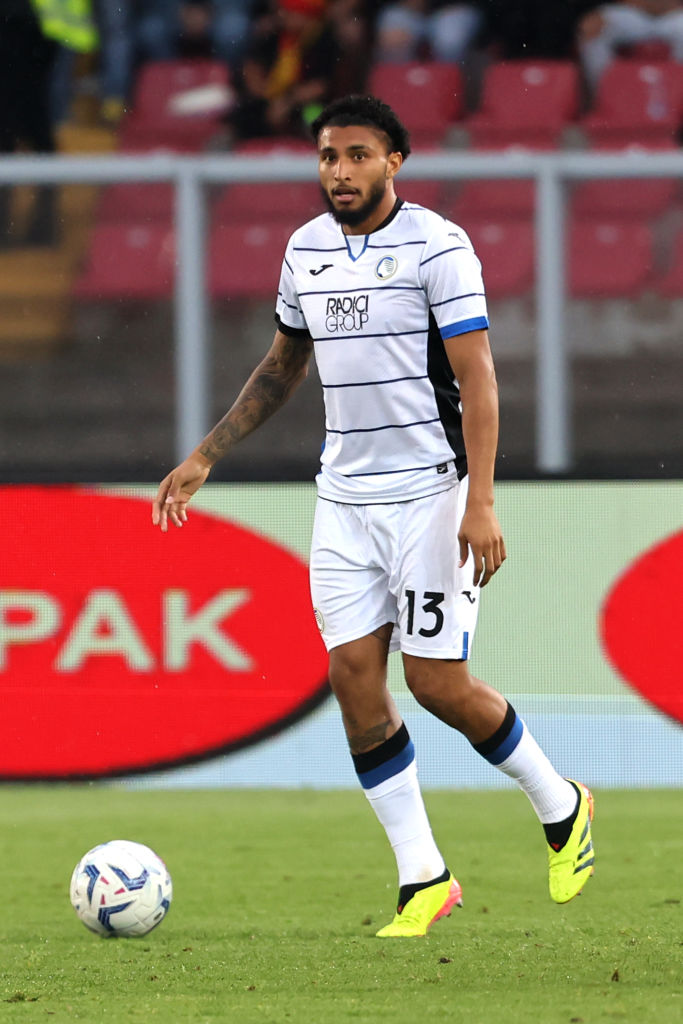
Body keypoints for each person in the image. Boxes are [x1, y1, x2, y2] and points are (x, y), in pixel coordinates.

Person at [152, 94, 595, 937]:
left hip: (432, 493)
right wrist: (207, 453)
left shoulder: (438, 245)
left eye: (357, 155)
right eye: (328, 156)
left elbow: (478, 379)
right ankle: (422, 877)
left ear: (394, 161)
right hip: (343, 500)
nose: (340, 171)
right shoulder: (304, 249)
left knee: (436, 685)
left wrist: (480, 501)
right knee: (352, 677)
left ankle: (559, 802)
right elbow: (282, 365)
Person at [577, 0, 683, 90]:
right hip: (633, 13)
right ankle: (605, 94)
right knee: (592, 27)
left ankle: (677, 95)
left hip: (674, 16)